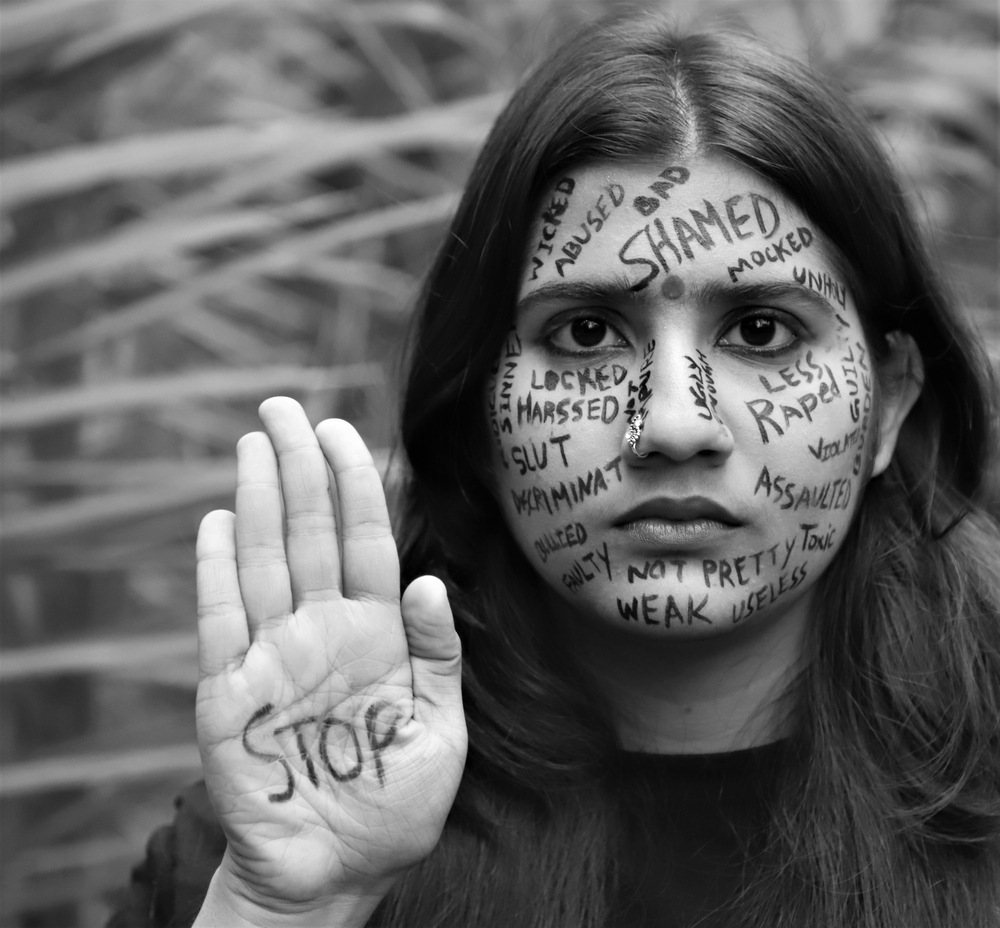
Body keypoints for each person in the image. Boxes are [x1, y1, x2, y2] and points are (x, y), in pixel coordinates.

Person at [110, 11, 1000, 928]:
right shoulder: (291, 820)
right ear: (478, 410)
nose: (675, 425)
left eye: (762, 331)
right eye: (584, 334)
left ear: (889, 401)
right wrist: (289, 907)